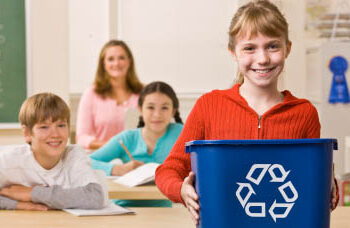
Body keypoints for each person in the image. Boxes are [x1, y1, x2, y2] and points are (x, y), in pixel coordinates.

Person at [155, 0, 339, 224]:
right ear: (233, 52)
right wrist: (182, 190)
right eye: (249, 48)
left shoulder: (304, 112)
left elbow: (310, 180)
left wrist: (329, 184)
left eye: (272, 46)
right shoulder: (209, 105)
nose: (262, 59)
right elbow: (168, 170)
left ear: (287, 48)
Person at [0, 93, 107, 211]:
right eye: (44, 127)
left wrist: (32, 194)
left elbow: (95, 197)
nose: (55, 134)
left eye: (61, 125)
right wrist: (18, 205)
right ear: (27, 133)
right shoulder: (8, 161)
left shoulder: (74, 155)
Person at [90, 81, 183, 207]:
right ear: (140, 109)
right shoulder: (127, 138)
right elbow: (86, 162)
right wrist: (116, 169)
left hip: (163, 212)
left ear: (173, 111)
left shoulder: (180, 133)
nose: (157, 114)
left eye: (165, 108)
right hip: (124, 208)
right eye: (150, 107)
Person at [76, 40, 144, 150]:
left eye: (121, 58)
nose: (116, 63)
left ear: (129, 61)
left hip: (137, 157)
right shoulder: (91, 94)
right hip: (102, 158)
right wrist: (112, 147)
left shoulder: (143, 93)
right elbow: (82, 138)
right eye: (111, 59)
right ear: (104, 64)